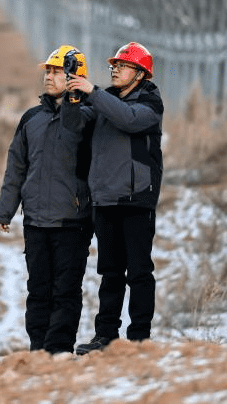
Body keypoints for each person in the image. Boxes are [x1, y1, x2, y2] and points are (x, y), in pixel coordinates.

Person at [65, 42, 164, 355]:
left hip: (136, 200)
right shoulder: (102, 101)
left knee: (138, 272)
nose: (115, 69)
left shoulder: (149, 101)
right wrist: (72, 95)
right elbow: (72, 126)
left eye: (122, 65)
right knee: (110, 273)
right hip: (105, 199)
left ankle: (139, 339)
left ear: (140, 73)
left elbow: (129, 119)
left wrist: (93, 92)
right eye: (114, 65)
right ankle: (105, 337)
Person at [0, 44, 94, 354]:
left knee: (65, 291)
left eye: (56, 71)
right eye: (47, 71)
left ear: (74, 76)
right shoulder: (31, 118)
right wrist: (6, 210)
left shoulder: (89, 118)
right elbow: (17, 165)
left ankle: (59, 350)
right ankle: (38, 350)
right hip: (36, 220)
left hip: (72, 220)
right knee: (37, 291)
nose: (48, 77)